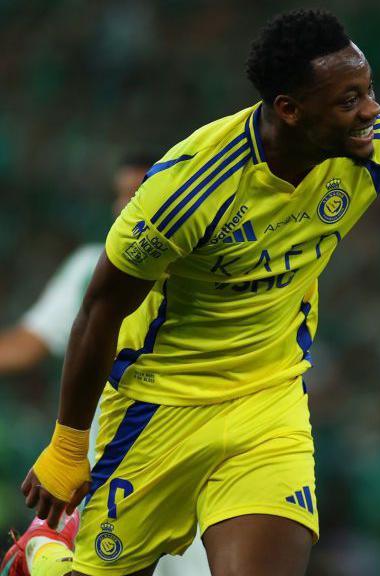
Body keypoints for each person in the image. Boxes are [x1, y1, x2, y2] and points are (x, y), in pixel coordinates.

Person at [6, 9, 380, 576]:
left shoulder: (369, 149)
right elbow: (100, 310)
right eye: (349, 99)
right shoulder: (186, 190)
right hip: (159, 408)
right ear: (290, 109)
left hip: (268, 403)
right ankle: (46, 556)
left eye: (369, 89)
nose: (371, 109)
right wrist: (68, 446)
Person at [0, 158, 212, 576]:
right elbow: (28, 344)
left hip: (192, 457)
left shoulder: (213, 269)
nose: (123, 206)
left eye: (136, 194)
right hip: (107, 462)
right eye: (120, 195)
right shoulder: (93, 267)